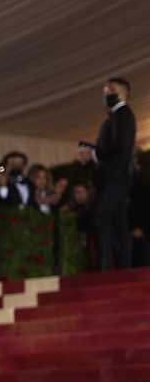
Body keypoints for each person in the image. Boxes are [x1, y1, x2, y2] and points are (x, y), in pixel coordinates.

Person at [77, 76, 137, 270]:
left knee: (102, 216)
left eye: (110, 90)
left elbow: (120, 146)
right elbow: (111, 147)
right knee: (118, 223)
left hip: (117, 178)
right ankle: (122, 267)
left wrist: (94, 152)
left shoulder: (124, 114)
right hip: (111, 178)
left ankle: (107, 267)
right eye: (104, 90)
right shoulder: (111, 119)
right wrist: (92, 153)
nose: (106, 93)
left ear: (123, 94)